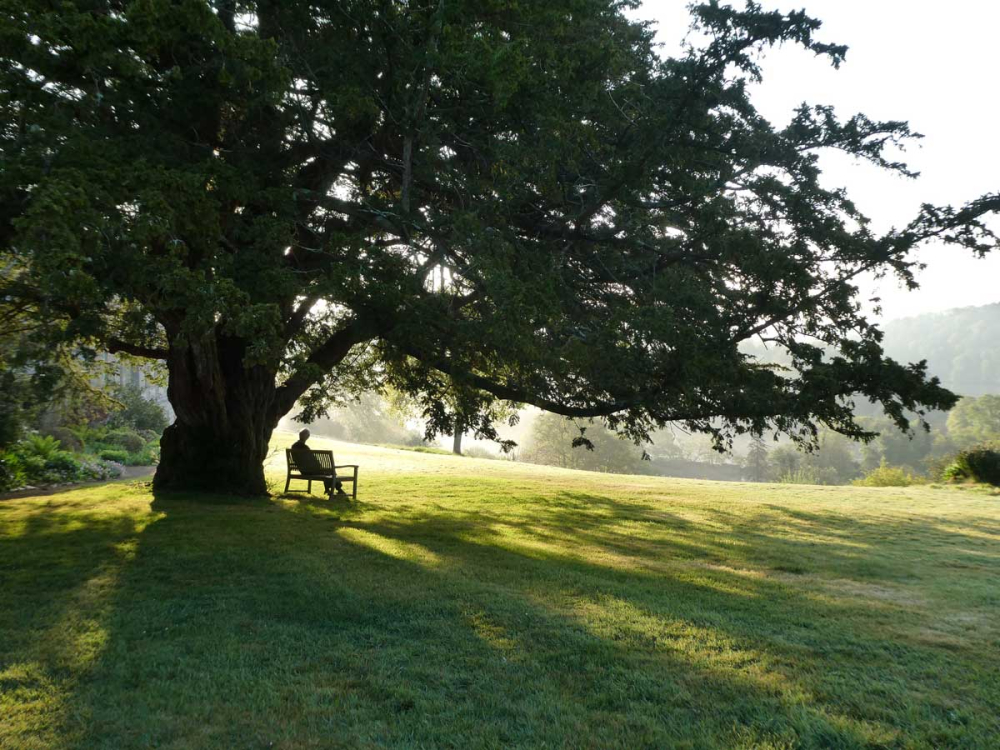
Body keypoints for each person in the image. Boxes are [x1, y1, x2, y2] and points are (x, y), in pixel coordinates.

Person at [289, 428, 345, 496]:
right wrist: (319, 467)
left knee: (326, 472)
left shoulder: (293, 446)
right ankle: (338, 489)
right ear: (307, 437)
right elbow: (313, 460)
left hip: (303, 470)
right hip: (310, 471)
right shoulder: (305, 447)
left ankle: (328, 489)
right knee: (330, 471)